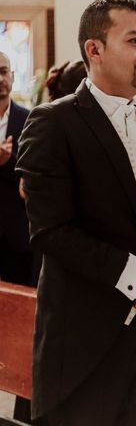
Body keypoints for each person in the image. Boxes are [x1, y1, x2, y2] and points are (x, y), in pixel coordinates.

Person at [16, 0, 136, 426]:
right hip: (80, 348)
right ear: (94, 49)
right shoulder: (53, 122)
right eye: (134, 41)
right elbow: (51, 232)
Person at [0, 51, 32, 287]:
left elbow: (34, 174)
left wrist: (9, 160)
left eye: (3, 72)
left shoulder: (30, 119)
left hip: (17, 232)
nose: (0, 79)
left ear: (11, 75)